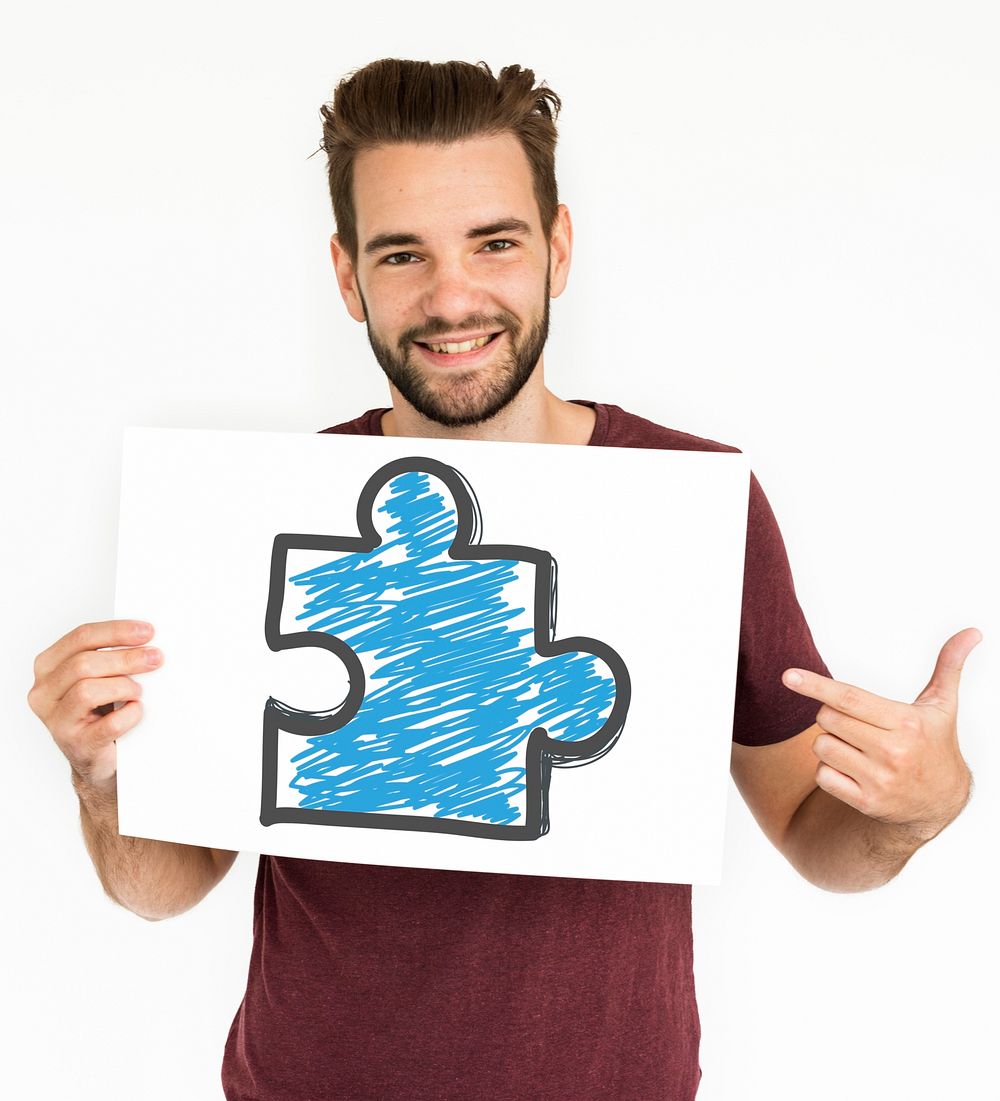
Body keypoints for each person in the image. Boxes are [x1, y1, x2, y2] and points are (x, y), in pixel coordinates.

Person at [27, 59, 979, 1101]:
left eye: (494, 242)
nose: (451, 298)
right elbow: (163, 888)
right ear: (346, 276)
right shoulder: (265, 510)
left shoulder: (691, 505)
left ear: (556, 248)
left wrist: (913, 808)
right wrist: (101, 777)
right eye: (402, 254)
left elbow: (815, 838)